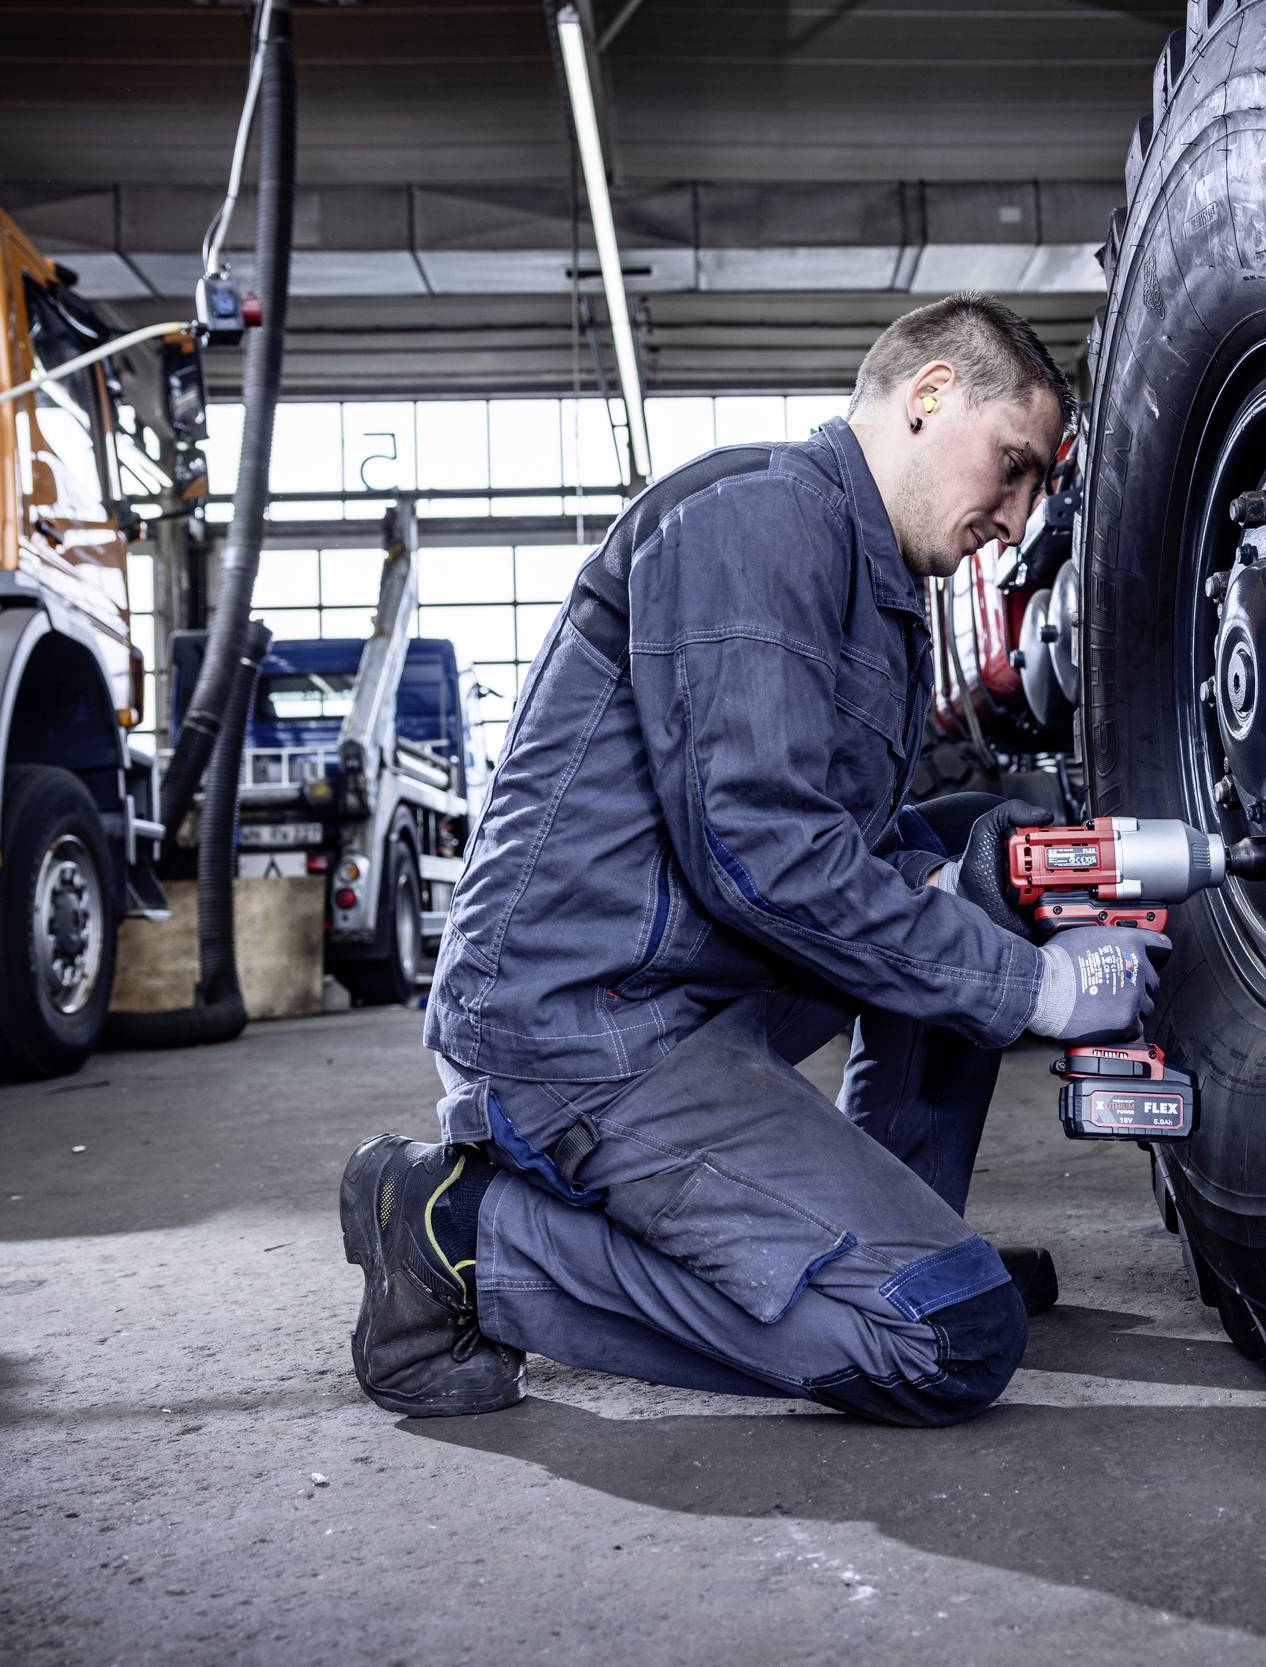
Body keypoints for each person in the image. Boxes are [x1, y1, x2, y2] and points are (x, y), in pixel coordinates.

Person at [339, 293, 1163, 1426]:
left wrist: (989, 889)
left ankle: (898, 1226)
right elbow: (762, 852)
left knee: (972, 849)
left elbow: (858, 849)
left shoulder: (872, 583)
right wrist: (1038, 985)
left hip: (689, 988)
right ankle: (457, 1235)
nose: (1017, 519)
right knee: (946, 1336)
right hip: (589, 1031)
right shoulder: (761, 519)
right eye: (1011, 467)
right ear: (928, 397)